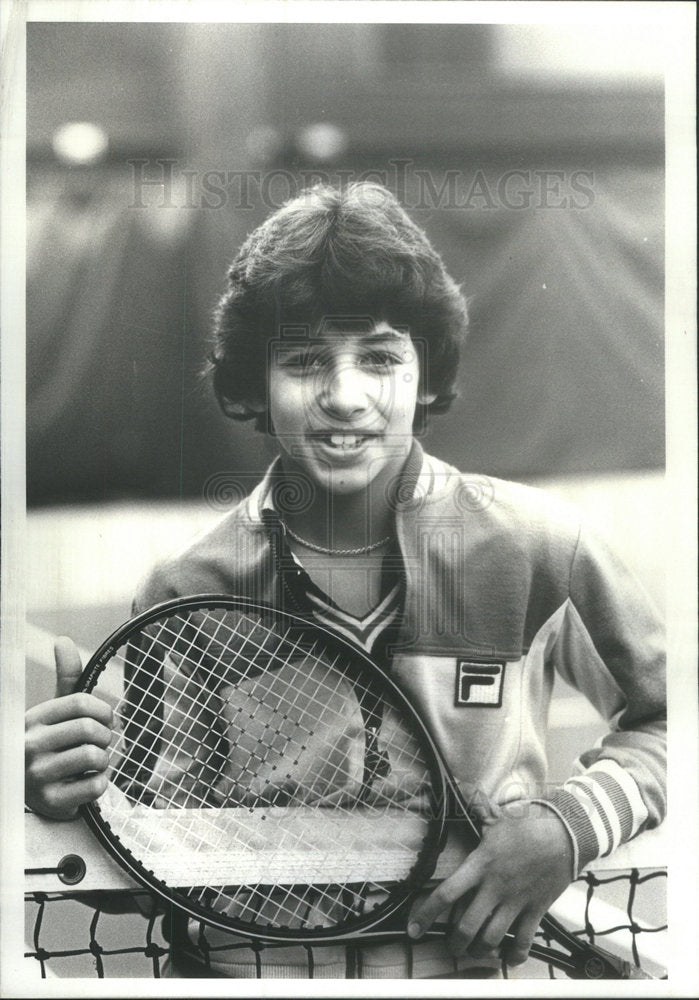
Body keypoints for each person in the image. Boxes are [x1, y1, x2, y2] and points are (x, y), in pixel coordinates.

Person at [25, 182, 666, 979]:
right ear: (254, 384)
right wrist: (68, 800)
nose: (344, 395)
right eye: (303, 362)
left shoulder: (540, 548)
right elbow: (147, 865)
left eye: (380, 358)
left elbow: (672, 720)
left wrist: (566, 827)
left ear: (425, 376)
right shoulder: (185, 588)